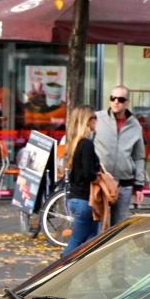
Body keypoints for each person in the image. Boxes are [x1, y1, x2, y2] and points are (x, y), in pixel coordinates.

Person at [93, 85, 145, 225]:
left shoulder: (135, 125)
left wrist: (139, 186)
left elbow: (138, 157)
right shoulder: (98, 118)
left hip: (123, 183)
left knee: (118, 227)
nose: (116, 102)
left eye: (121, 99)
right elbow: (86, 144)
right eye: (113, 98)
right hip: (100, 181)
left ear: (127, 102)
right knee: (96, 225)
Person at [61, 105, 102, 257]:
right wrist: (98, 176)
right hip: (85, 200)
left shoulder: (73, 143)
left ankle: (85, 275)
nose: (96, 121)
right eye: (94, 118)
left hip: (76, 198)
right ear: (87, 120)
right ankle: (57, 272)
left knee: (90, 242)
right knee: (76, 242)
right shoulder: (86, 144)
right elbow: (88, 174)